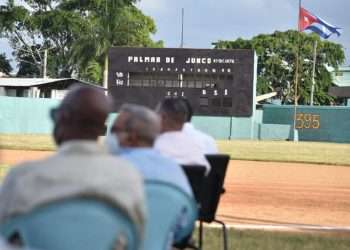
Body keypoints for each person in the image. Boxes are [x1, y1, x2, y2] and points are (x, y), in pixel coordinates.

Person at [0, 85, 146, 237]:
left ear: (63, 117)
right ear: (103, 129)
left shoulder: (22, 178)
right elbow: (136, 238)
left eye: (54, 114)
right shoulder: (130, 177)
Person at [107, 103, 192, 196]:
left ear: (132, 137)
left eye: (114, 130)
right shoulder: (174, 168)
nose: (111, 136)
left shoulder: (114, 168)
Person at [154, 97, 210, 172]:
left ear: (163, 117)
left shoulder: (154, 145)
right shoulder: (199, 145)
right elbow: (207, 171)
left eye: (156, 114)